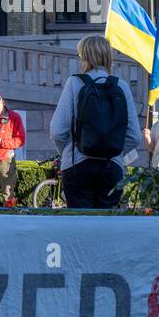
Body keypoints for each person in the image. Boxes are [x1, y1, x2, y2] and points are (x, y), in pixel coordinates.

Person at [49, 35, 142, 209]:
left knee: (80, 228)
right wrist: (115, 151)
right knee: (107, 228)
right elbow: (135, 136)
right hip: (111, 166)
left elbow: (57, 131)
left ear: (85, 57)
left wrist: (70, 151)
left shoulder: (75, 83)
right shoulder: (121, 86)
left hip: (77, 166)